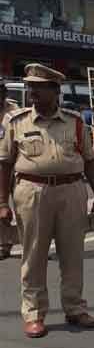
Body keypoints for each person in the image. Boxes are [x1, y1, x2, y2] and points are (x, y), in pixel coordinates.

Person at [0, 64, 94, 338]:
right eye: (30, 86)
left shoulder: (75, 121)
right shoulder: (16, 122)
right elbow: (5, 165)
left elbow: (90, 161)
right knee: (33, 255)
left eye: (39, 87)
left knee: (72, 254)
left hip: (71, 192)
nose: (32, 91)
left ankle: (74, 307)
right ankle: (34, 313)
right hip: (32, 192)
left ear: (55, 91)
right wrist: (2, 203)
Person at [0, 80, 20, 260]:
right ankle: (4, 245)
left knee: (24, 207)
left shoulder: (14, 111)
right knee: (1, 206)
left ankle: (35, 246)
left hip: (15, 165)